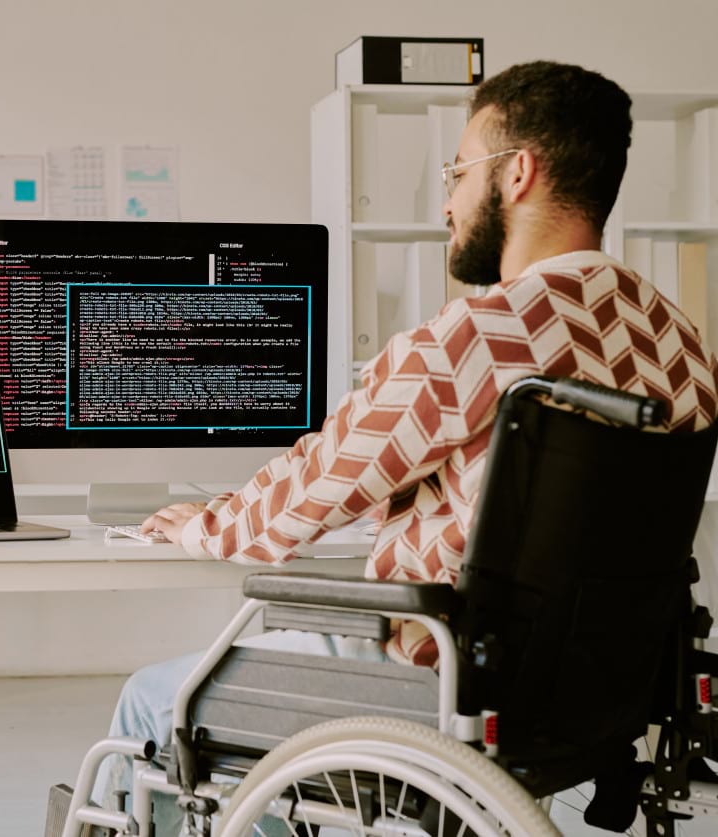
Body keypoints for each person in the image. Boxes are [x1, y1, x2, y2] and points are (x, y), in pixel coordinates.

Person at [93, 60, 718, 828]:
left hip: (438, 680)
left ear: (517, 173)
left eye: (459, 171)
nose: (447, 199)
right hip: (589, 696)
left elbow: (296, 504)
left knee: (152, 700)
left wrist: (198, 522)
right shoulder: (681, 345)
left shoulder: (476, 337)